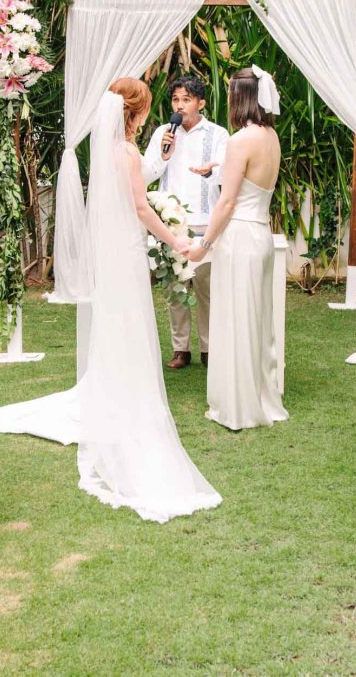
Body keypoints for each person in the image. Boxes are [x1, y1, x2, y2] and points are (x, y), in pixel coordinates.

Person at [76, 77, 222, 522]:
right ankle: (130, 394)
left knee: (118, 319)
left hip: (115, 245)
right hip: (127, 245)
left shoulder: (109, 151)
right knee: (131, 318)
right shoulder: (126, 151)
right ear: (137, 112)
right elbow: (140, 207)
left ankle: (114, 385)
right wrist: (175, 240)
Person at [187, 66, 287, 431]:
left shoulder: (239, 140)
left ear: (239, 97)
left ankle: (239, 406)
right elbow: (250, 184)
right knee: (254, 320)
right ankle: (257, 395)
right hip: (259, 232)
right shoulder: (269, 136)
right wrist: (218, 165)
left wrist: (203, 244)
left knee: (234, 320)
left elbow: (227, 203)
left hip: (239, 238)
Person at [142, 75, 228, 369]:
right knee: (175, 289)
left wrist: (208, 172)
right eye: (176, 100)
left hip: (206, 223)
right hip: (171, 224)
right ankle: (181, 349)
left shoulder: (218, 134)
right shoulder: (162, 133)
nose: (180, 105)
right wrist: (165, 154)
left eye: (186, 99)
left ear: (200, 103)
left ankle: (209, 348)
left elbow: (225, 173)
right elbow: (146, 174)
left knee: (206, 289)